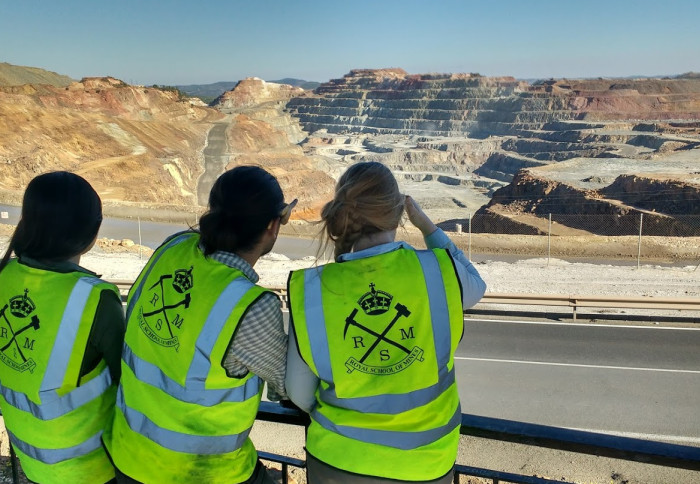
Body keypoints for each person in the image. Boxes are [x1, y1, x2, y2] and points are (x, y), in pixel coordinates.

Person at [285, 161, 486, 483]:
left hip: (338, 460)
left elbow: (299, 392)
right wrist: (428, 228)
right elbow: (477, 284)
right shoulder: (438, 271)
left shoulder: (311, 289)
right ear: (399, 212)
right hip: (427, 462)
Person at [103, 165, 295, 484]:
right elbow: (291, 386)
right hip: (202, 472)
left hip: (129, 457)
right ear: (273, 226)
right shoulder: (250, 306)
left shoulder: (171, 248)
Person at [0, 172, 125, 484]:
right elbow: (130, 383)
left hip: (31, 456)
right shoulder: (95, 300)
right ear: (92, 233)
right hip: (92, 466)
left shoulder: (5, 276)